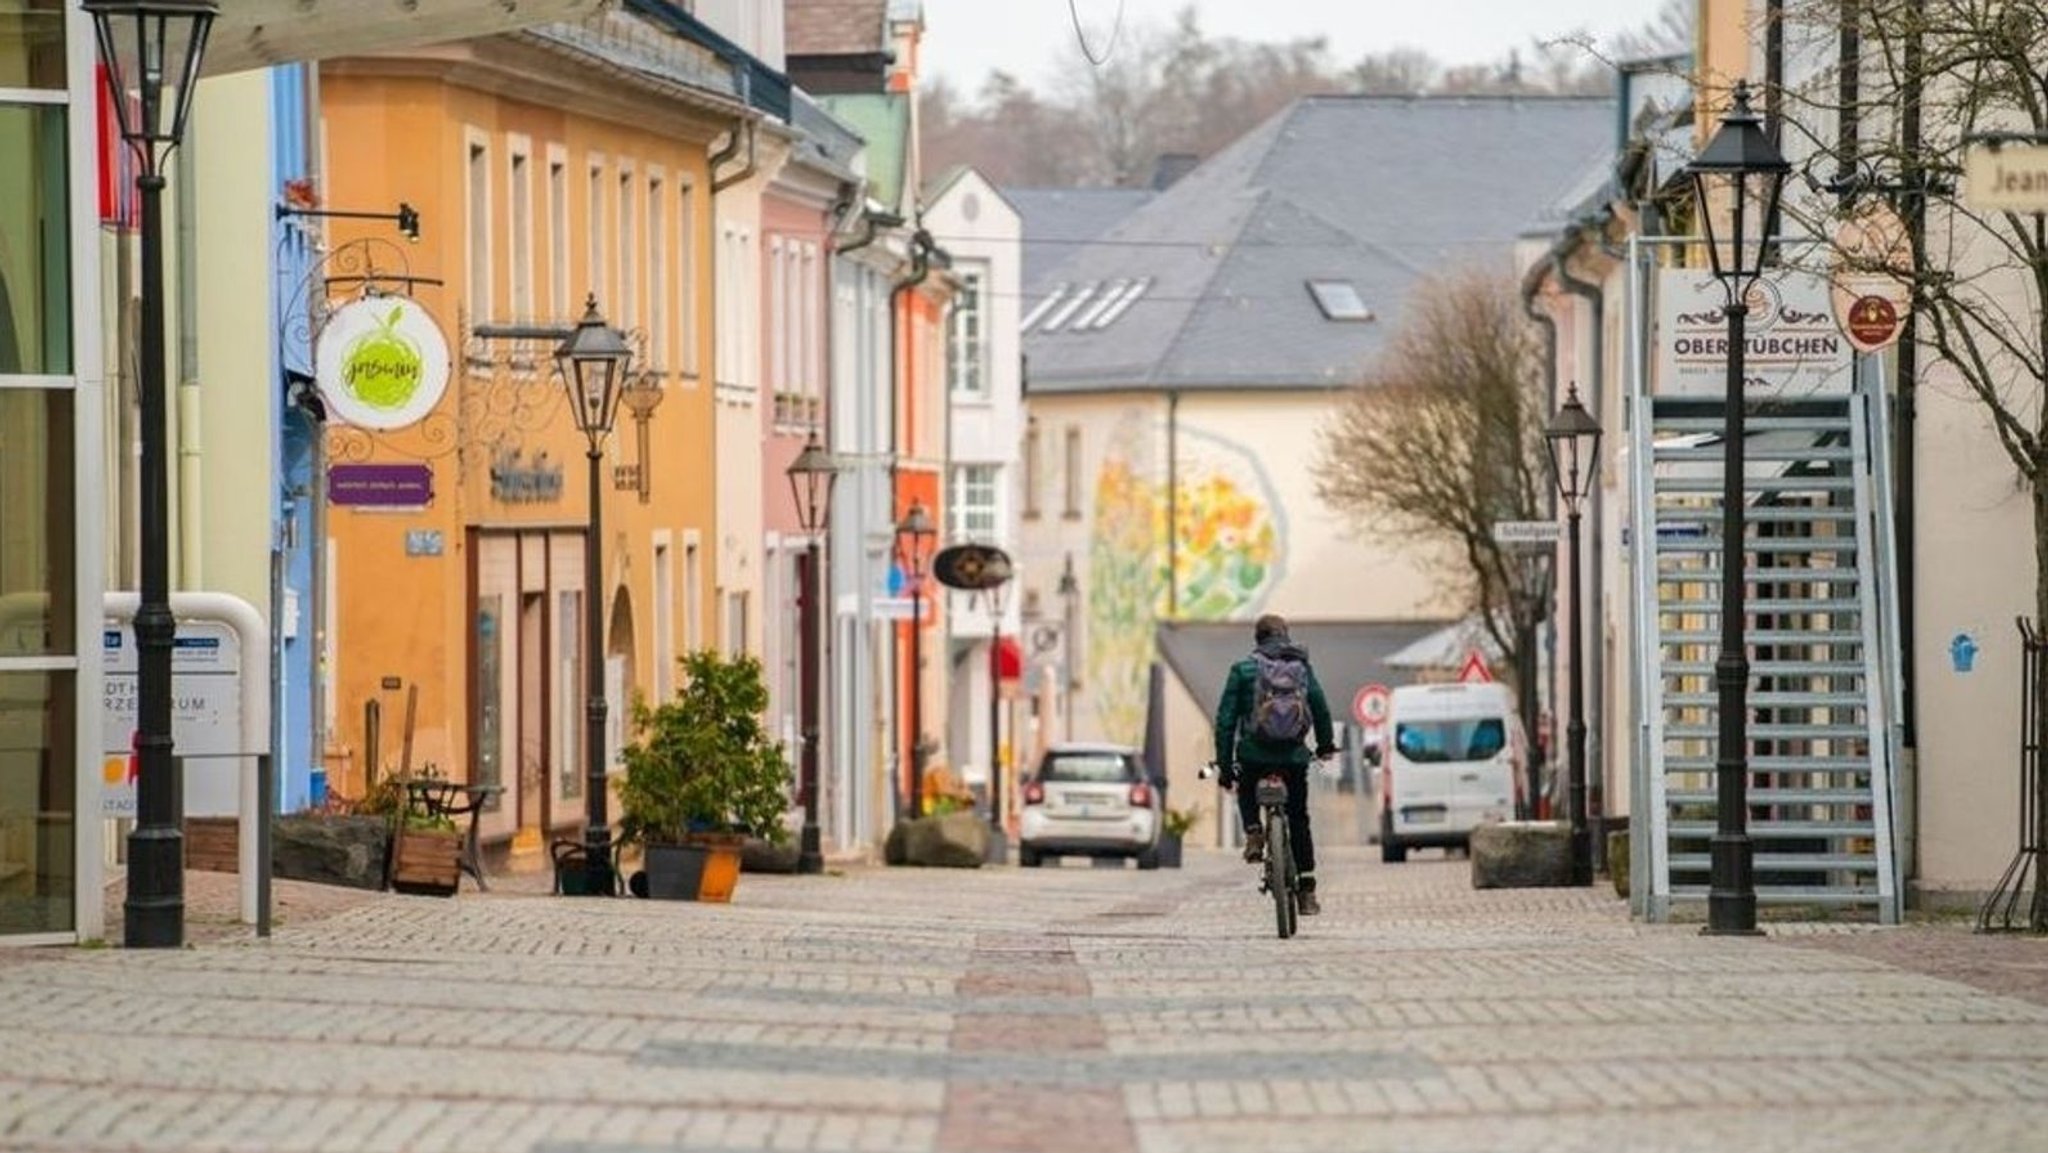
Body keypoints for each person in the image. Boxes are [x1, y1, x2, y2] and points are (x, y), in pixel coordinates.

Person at [1212, 613, 1336, 915]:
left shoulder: (1242, 670)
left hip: (1253, 755)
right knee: (1298, 818)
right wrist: (1325, 746)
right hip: (1293, 758)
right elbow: (1320, 707)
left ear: (1257, 638)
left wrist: (1226, 768)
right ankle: (1307, 892)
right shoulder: (1302, 668)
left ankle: (1254, 831)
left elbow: (1225, 721)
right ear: (1286, 636)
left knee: (1245, 788)